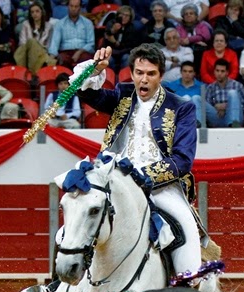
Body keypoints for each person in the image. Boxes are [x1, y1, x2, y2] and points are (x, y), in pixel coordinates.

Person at [73, 43, 205, 276]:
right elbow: (85, 92)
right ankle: (61, 283)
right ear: (132, 74)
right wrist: (95, 70)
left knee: (185, 225)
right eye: (139, 73)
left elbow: (183, 160)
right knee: (77, 217)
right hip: (116, 183)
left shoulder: (181, 107)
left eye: (151, 74)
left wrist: (141, 177)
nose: (144, 79)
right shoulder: (122, 95)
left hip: (160, 188)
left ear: (161, 76)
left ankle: (189, 281)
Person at [13, 0, 56, 74]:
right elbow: (22, 43)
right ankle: (33, 74)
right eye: (32, 12)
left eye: (37, 11)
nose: (34, 14)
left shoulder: (49, 26)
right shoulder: (26, 24)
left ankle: (29, 73)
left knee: (34, 45)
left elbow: (49, 45)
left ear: (42, 12)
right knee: (31, 42)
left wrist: (36, 47)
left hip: (42, 53)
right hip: (27, 53)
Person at [48, 0, 94, 69]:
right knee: (62, 59)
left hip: (83, 51)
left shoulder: (88, 23)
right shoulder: (60, 24)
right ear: (67, 7)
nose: (73, 9)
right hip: (65, 52)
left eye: (76, 6)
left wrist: (79, 52)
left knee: (87, 60)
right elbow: (54, 44)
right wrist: (51, 58)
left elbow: (91, 43)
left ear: (80, 8)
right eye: (71, 6)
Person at [204, 58, 244, 127]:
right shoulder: (210, 87)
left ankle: (234, 124)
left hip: (235, 116)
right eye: (217, 71)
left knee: (232, 93)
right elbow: (208, 108)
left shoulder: (238, 85)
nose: (219, 73)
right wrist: (216, 106)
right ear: (214, 71)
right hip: (218, 117)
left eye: (222, 71)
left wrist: (228, 107)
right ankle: (196, 126)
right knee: (197, 99)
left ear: (227, 72)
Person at [102, 5, 144, 73]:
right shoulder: (111, 23)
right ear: (118, 15)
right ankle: (109, 77)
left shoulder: (132, 28)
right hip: (111, 51)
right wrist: (113, 31)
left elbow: (130, 46)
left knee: (127, 58)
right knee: (108, 59)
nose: (124, 17)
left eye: (127, 15)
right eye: (122, 14)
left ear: (130, 18)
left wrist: (116, 43)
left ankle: (124, 77)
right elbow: (106, 39)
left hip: (124, 52)